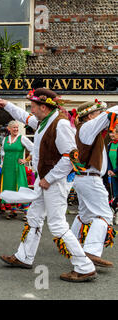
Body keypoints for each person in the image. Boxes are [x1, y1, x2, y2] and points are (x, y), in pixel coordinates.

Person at [0, 88, 96, 282]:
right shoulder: (44, 122)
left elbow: (70, 157)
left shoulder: (60, 124)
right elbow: (24, 116)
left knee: (57, 224)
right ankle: (24, 256)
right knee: (34, 216)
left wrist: (48, 178)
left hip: (54, 183)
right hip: (45, 181)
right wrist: (6, 105)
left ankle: (85, 267)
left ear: (43, 106)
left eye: (33, 106)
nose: (31, 110)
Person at [70, 100, 117, 268]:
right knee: (105, 215)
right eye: (96, 114)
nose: (99, 117)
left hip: (84, 178)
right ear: (90, 116)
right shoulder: (88, 127)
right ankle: (91, 251)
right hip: (90, 179)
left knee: (85, 215)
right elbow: (107, 115)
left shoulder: (85, 129)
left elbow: (105, 116)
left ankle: (71, 243)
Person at [0, 120, 33, 220]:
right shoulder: (5, 139)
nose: (16, 129)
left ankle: (27, 213)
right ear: (9, 129)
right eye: (14, 127)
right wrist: (1, 164)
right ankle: (12, 210)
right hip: (7, 168)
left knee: (21, 187)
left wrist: (26, 160)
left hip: (18, 167)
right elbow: (2, 153)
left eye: (17, 127)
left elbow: (34, 148)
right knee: (9, 187)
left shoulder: (22, 138)